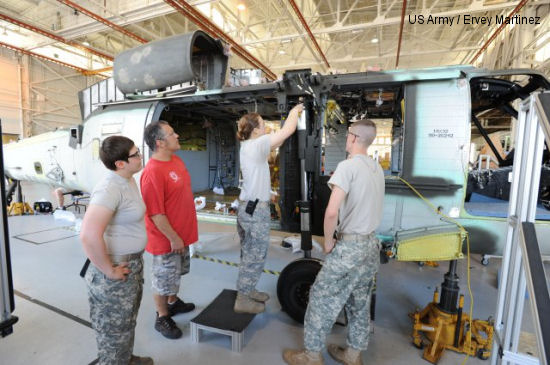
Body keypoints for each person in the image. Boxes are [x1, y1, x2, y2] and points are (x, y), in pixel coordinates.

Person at [283, 119, 385, 365]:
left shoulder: (347, 167)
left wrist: (328, 242)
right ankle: (353, 354)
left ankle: (311, 355)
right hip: (371, 246)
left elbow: (331, 212)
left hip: (350, 247)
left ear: (352, 137)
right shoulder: (377, 168)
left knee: (320, 296)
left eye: (347, 134)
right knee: (359, 301)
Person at [80, 135, 153, 365]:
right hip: (113, 270)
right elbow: (89, 235)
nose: (140, 156)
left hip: (131, 265)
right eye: (135, 154)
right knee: (113, 330)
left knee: (126, 321)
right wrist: (109, 271)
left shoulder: (128, 179)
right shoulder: (109, 188)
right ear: (120, 163)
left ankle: (126, 359)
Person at [234, 103, 303, 314]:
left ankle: (248, 289)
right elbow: (287, 131)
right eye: (263, 125)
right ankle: (243, 299)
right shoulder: (256, 145)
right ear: (255, 130)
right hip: (255, 212)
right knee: (255, 255)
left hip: (248, 207)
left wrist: (268, 194)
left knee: (250, 253)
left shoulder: (250, 145)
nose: (265, 129)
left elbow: (279, 140)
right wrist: (294, 112)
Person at [141, 120, 198, 339]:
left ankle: (173, 303)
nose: (178, 136)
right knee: (163, 280)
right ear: (160, 143)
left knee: (176, 275)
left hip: (181, 236)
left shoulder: (176, 161)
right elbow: (156, 214)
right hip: (167, 240)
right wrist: (173, 238)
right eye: (172, 134)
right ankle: (162, 316)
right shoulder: (152, 173)